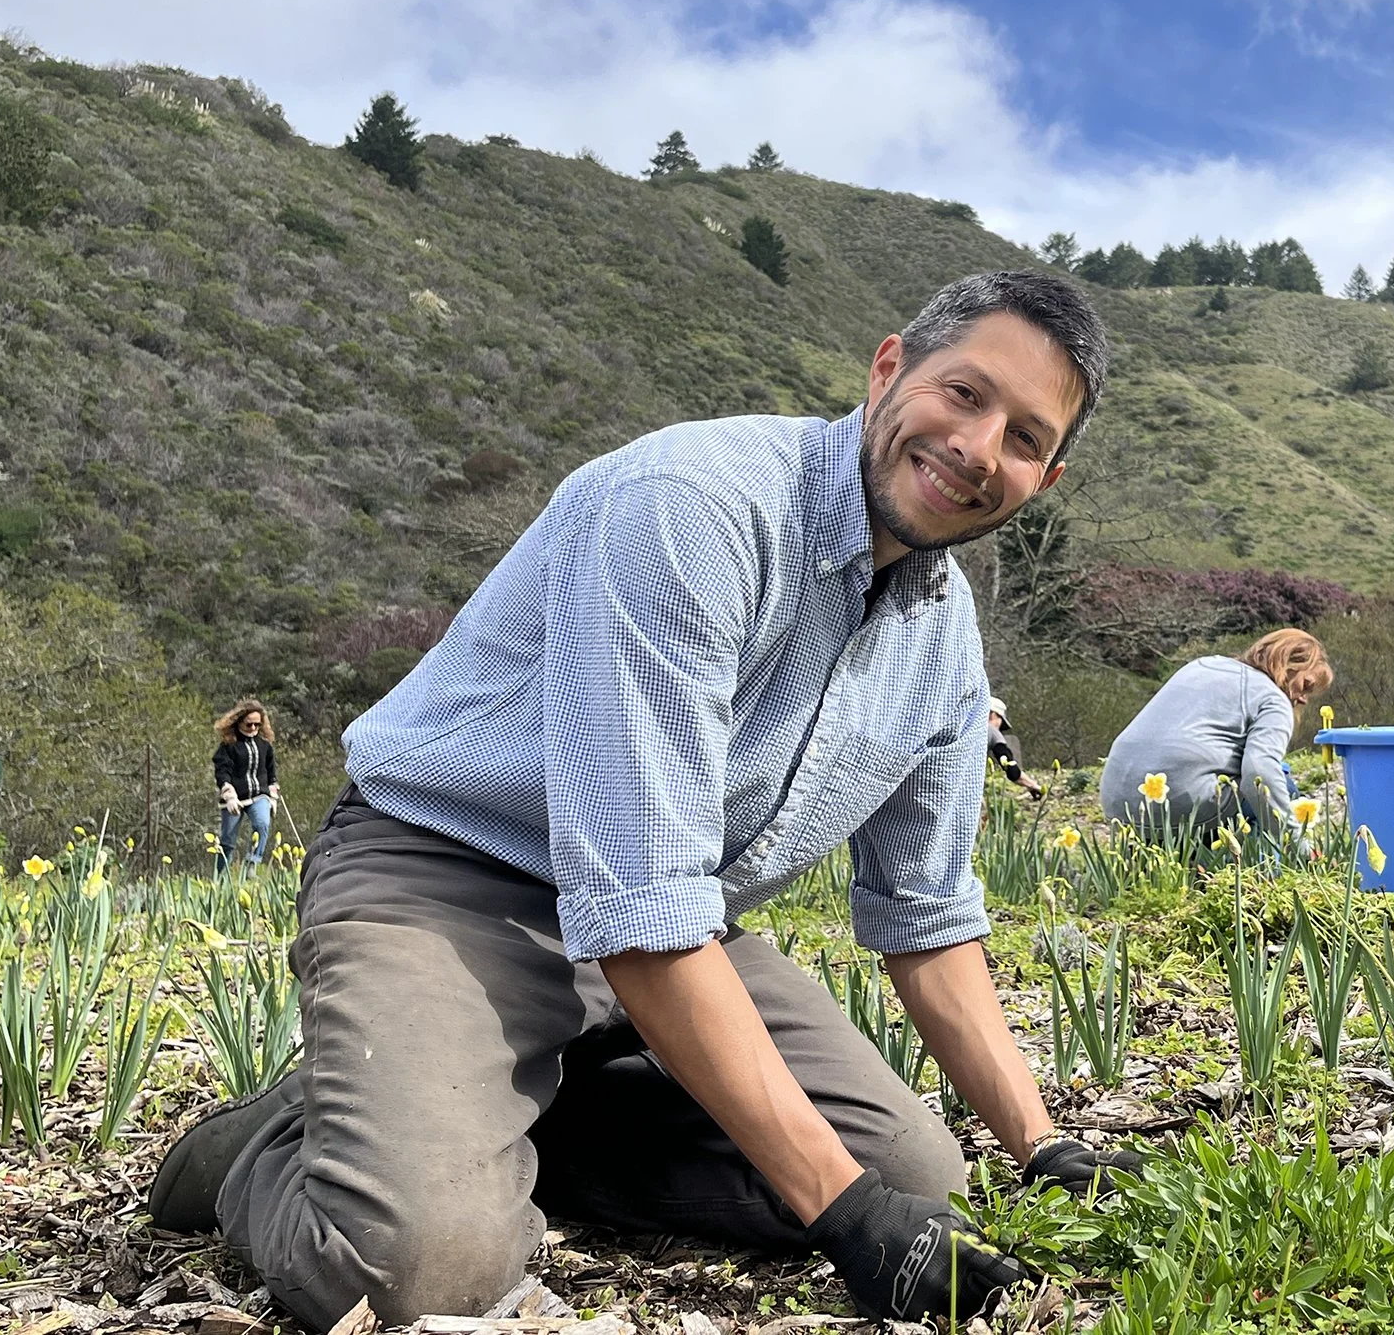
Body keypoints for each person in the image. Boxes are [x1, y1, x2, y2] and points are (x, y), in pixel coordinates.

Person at [146, 271, 1139, 1331]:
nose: (980, 449)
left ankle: (503, 1119)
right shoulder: (691, 507)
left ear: (1048, 474)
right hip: (448, 877)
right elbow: (637, 906)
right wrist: (841, 1216)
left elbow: (925, 922)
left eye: (1026, 438)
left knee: (916, 1175)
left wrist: (1043, 1147)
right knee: (418, 1270)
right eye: (964, 393)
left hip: (674, 930)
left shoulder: (941, 642)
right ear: (887, 367)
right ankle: (270, 1145)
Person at [1099, 628, 1332, 838]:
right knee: (1280, 786)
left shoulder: (1203, 665)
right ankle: (1257, 875)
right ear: (1287, 665)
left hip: (1118, 803)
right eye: (1306, 686)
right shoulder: (1273, 699)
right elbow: (1259, 774)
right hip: (1175, 807)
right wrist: (1297, 845)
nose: (1303, 699)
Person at [211, 699, 280, 871]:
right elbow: (222, 771)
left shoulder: (265, 746)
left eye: (257, 724)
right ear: (239, 722)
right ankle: (220, 877)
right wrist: (228, 793)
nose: (253, 729)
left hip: (260, 795)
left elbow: (271, 773)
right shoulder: (228, 747)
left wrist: (273, 795)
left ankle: (251, 865)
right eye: (249, 724)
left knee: (262, 825)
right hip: (235, 798)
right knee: (227, 840)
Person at [986, 695, 1043, 797]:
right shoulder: (992, 731)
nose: (1000, 730)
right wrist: (1033, 785)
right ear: (992, 714)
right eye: (1001, 723)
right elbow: (1011, 770)